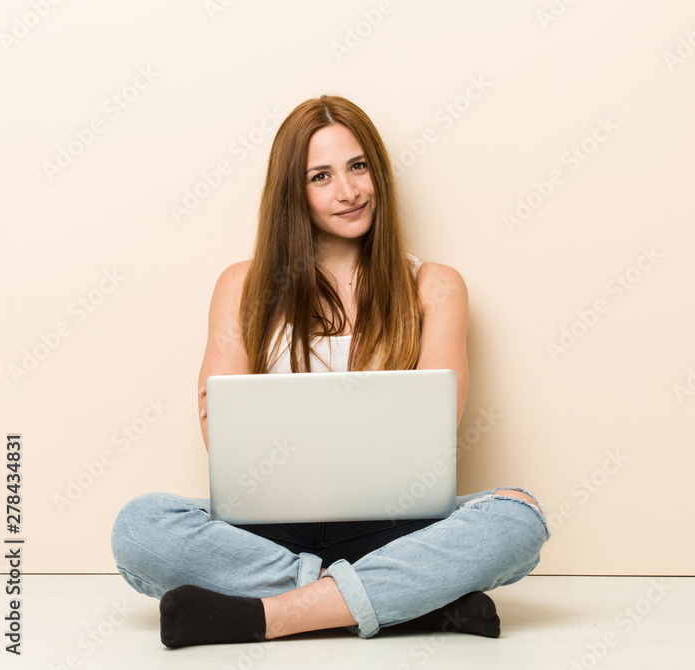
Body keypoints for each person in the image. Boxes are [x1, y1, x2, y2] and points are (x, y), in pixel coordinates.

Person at [109, 95, 550, 648]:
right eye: (322, 176)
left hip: (396, 529)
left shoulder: (435, 286)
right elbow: (218, 432)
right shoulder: (243, 286)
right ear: (292, 193)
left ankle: (268, 616)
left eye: (358, 166)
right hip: (270, 531)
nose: (349, 191)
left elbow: (436, 433)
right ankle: (401, 602)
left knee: (519, 518)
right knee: (140, 528)